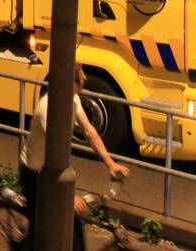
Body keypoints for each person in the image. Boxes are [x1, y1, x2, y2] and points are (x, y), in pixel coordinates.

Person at [19, 64, 130, 250]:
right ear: (70, 83)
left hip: (49, 170)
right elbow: (53, 154)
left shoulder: (72, 98)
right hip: (36, 173)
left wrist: (111, 164)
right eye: (82, 83)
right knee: (46, 228)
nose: (83, 87)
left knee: (69, 221)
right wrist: (68, 196)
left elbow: (89, 131)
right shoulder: (48, 108)